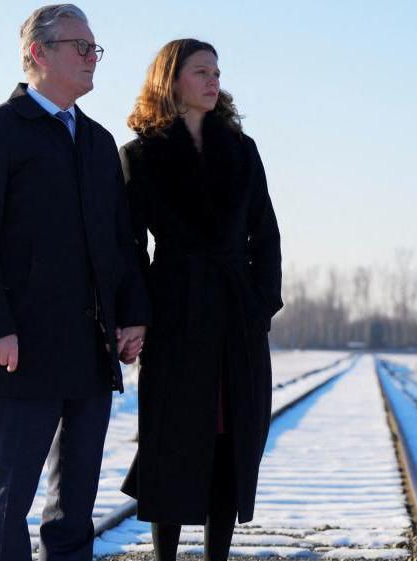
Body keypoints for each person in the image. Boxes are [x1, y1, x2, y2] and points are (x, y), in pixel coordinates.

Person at [0, 5, 149, 561]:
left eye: (94, 49)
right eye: (80, 47)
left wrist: (133, 315)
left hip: (90, 351)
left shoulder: (99, 143)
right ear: (38, 53)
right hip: (20, 351)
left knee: (75, 510)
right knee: (7, 503)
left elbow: (123, 242)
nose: (92, 59)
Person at [119, 38, 283, 561]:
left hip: (238, 313)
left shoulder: (242, 149)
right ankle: (164, 554)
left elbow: (268, 235)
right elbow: (128, 247)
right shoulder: (140, 156)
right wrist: (139, 315)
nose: (214, 81)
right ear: (171, 81)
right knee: (170, 439)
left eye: (217, 72)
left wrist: (260, 305)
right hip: (174, 314)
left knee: (229, 438)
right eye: (201, 72)